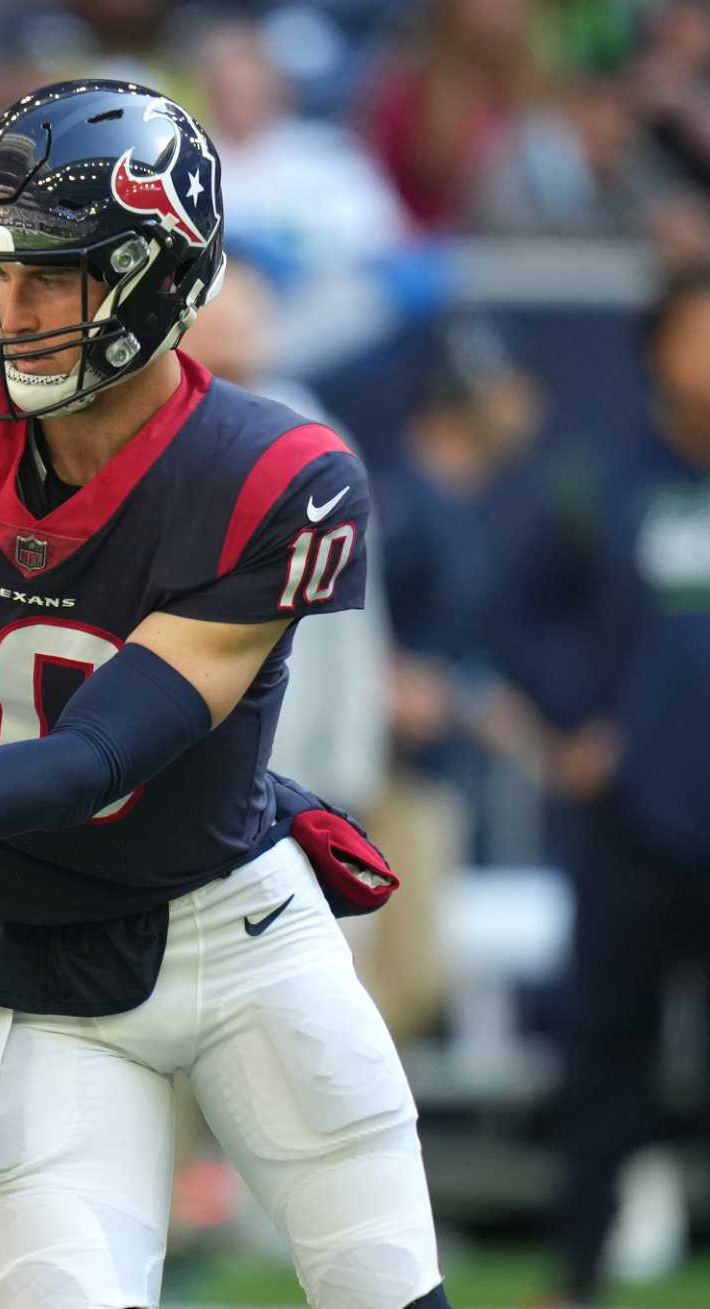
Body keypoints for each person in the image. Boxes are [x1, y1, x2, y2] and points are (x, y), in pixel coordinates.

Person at [0, 82, 450, 1309]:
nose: (14, 309)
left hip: (234, 932)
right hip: (13, 964)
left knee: (386, 1292)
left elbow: (96, 753)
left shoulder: (274, 473)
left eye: (55, 275)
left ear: (162, 276)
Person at [486, 265, 710, 1309]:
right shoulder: (598, 482)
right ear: (656, 353)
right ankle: (575, 1276)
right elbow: (515, 617)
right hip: (630, 825)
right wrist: (572, 727)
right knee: (604, 1055)